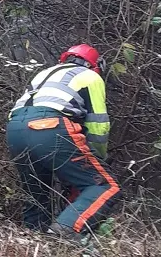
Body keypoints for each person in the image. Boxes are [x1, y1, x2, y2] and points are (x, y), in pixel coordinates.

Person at [6, 43, 120, 238]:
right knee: (104, 186)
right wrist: (96, 157)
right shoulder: (91, 76)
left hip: (14, 128)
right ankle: (62, 234)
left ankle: (31, 242)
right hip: (50, 126)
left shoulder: (45, 73)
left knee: (36, 194)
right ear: (94, 64)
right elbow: (98, 125)